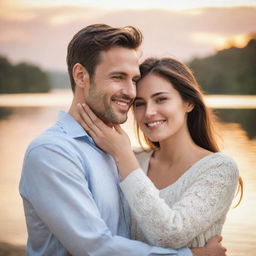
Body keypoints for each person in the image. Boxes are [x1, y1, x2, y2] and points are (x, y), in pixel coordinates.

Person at [19, 24, 226, 256]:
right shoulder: (52, 152)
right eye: (118, 77)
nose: (130, 92)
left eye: (134, 79)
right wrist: (191, 255)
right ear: (81, 76)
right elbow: (95, 248)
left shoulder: (116, 149)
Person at [77, 57, 243, 250]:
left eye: (161, 99)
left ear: (188, 102)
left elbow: (169, 235)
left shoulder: (218, 168)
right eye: (139, 103)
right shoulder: (131, 160)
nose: (149, 113)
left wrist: (122, 154)